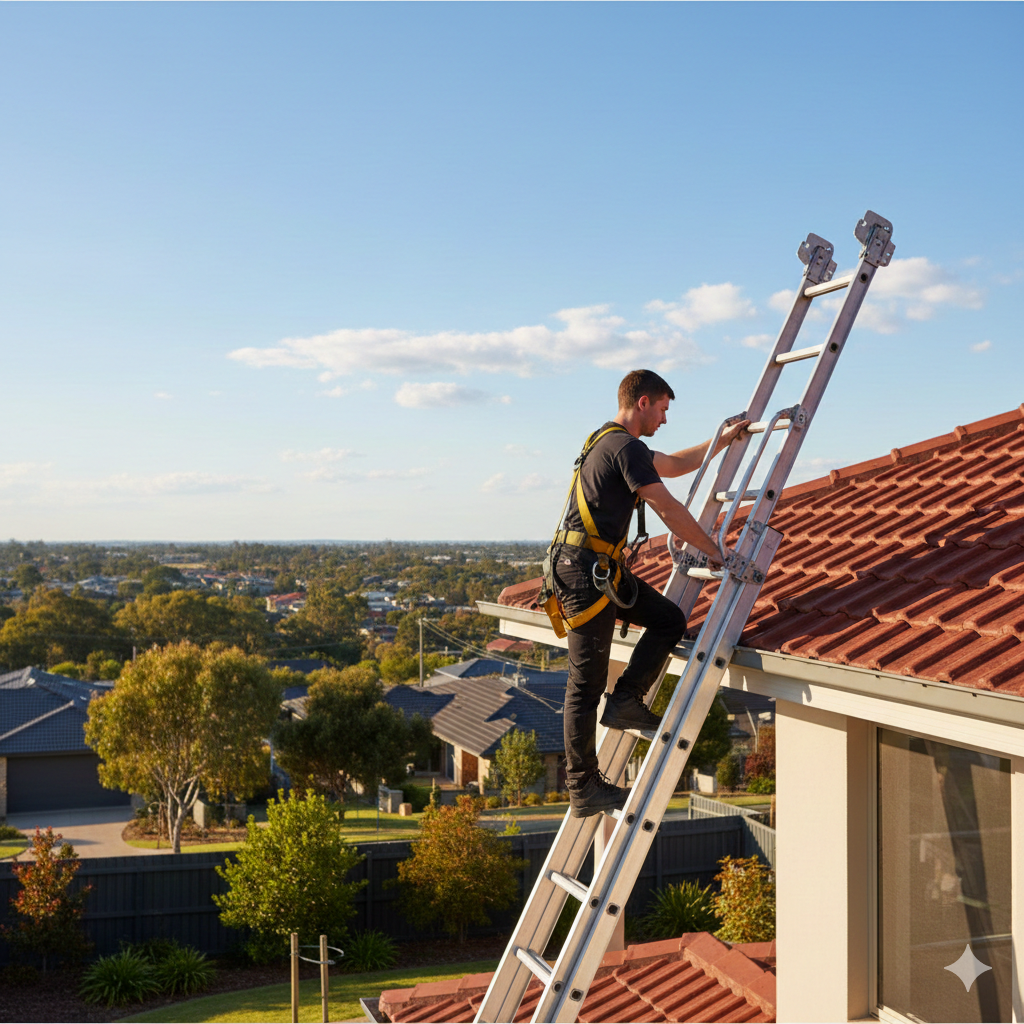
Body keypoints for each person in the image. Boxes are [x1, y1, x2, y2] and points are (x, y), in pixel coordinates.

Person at [551, 369, 748, 818]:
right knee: (584, 685)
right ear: (642, 402)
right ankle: (583, 787)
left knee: (668, 620)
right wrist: (713, 550)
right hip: (586, 573)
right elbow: (665, 505)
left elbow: (676, 464)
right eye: (662, 408)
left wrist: (721, 440)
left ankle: (625, 700)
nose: (664, 418)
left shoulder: (611, 443)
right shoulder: (623, 446)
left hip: (593, 569)